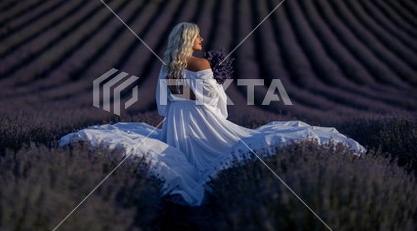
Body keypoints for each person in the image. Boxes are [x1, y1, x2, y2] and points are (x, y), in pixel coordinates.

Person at [59, 22, 365, 206]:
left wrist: (195, 92)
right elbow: (206, 99)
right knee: (242, 143)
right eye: (198, 37)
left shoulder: (168, 64)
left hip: (177, 120)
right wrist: (218, 86)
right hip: (200, 120)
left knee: (180, 150)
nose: (202, 41)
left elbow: (169, 97)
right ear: (189, 40)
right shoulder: (202, 64)